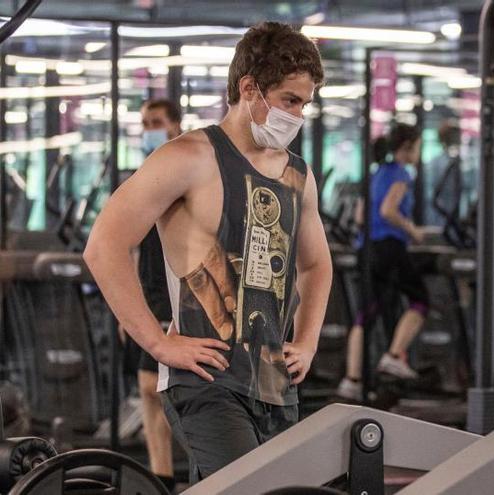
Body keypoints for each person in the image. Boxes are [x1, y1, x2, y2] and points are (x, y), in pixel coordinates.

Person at [84, 22, 332, 482]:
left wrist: (309, 341)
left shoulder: (298, 174)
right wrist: (157, 343)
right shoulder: (187, 158)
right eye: (289, 101)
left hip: (276, 382)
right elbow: (104, 246)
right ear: (249, 88)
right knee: (248, 487)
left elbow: (316, 265)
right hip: (206, 381)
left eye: (304, 104)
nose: (297, 116)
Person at [336, 125, 429, 401]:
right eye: (418, 146)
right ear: (408, 147)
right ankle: (393, 356)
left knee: (366, 313)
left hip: (368, 249)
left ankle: (352, 379)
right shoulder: (401, 174)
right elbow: (388, 210)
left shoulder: (377, 173)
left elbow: (361, 215)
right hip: (390, 246)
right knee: (420, 300)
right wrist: (413, 231)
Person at [134, 98, 182, 488]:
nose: (150, 128)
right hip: (148, 293)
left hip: (176, 293)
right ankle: (160, 477)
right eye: (145, 122)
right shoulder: (143, 175)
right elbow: (131, 247)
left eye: (157, 122)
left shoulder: (183, 174)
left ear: (175, 127)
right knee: (147, 389)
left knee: (159, 387)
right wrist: (128, 307)